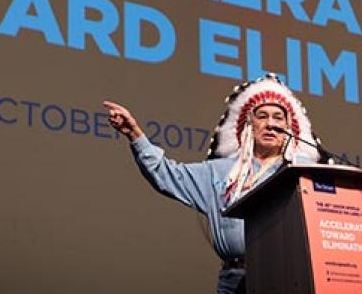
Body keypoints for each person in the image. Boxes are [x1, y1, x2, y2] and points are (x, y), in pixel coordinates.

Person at [103, 74, 321, 294]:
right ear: (248, 124)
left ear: (288, 127)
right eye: (262, 116)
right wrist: (135, 135)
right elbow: (166, 174)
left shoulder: (300, 172)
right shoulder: (221, 172)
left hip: (287, 278)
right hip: (234, 281)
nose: (271, 124)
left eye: (278, 118)